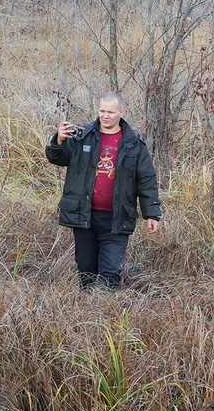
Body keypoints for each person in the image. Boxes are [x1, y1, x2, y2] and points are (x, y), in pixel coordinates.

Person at [45, 93, 162, 290]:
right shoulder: (82, 136)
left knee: (111, 272)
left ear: (121, 113)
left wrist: (152, 213)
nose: (105, 116)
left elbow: (146, 179)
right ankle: (86, 311)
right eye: (102, 111)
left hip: (117, 217)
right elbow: (57, 158)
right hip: (84, 215)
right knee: (86, 270)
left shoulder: (134, 143)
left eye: (110, 112)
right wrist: (59, 141)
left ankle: (110, 311)